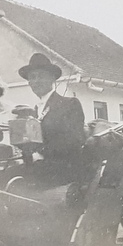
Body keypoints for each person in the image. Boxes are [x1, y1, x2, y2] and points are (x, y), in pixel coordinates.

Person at [18, 53, 86, 183]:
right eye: (33, 77)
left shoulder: (69, 104)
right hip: (40, 167)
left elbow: (75, 140)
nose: (37, 81)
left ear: (52, 79)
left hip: (65, 169)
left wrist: (41, 152)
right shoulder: (34, 111)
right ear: (29, 83)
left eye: (41, 76)